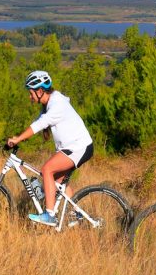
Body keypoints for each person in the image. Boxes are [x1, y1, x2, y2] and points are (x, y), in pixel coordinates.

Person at [7, 70, 94, 226]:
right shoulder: (49, 104)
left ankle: (50, 215)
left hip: (79, 147)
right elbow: (38, 121)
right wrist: (19, 137)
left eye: (31, 92)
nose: (30, 96)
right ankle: (77, 215)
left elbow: (39, 125)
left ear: (40, 91)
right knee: (56, 183)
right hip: (72, 147)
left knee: (47, 169)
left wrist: (18, 138)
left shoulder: (56, 105)